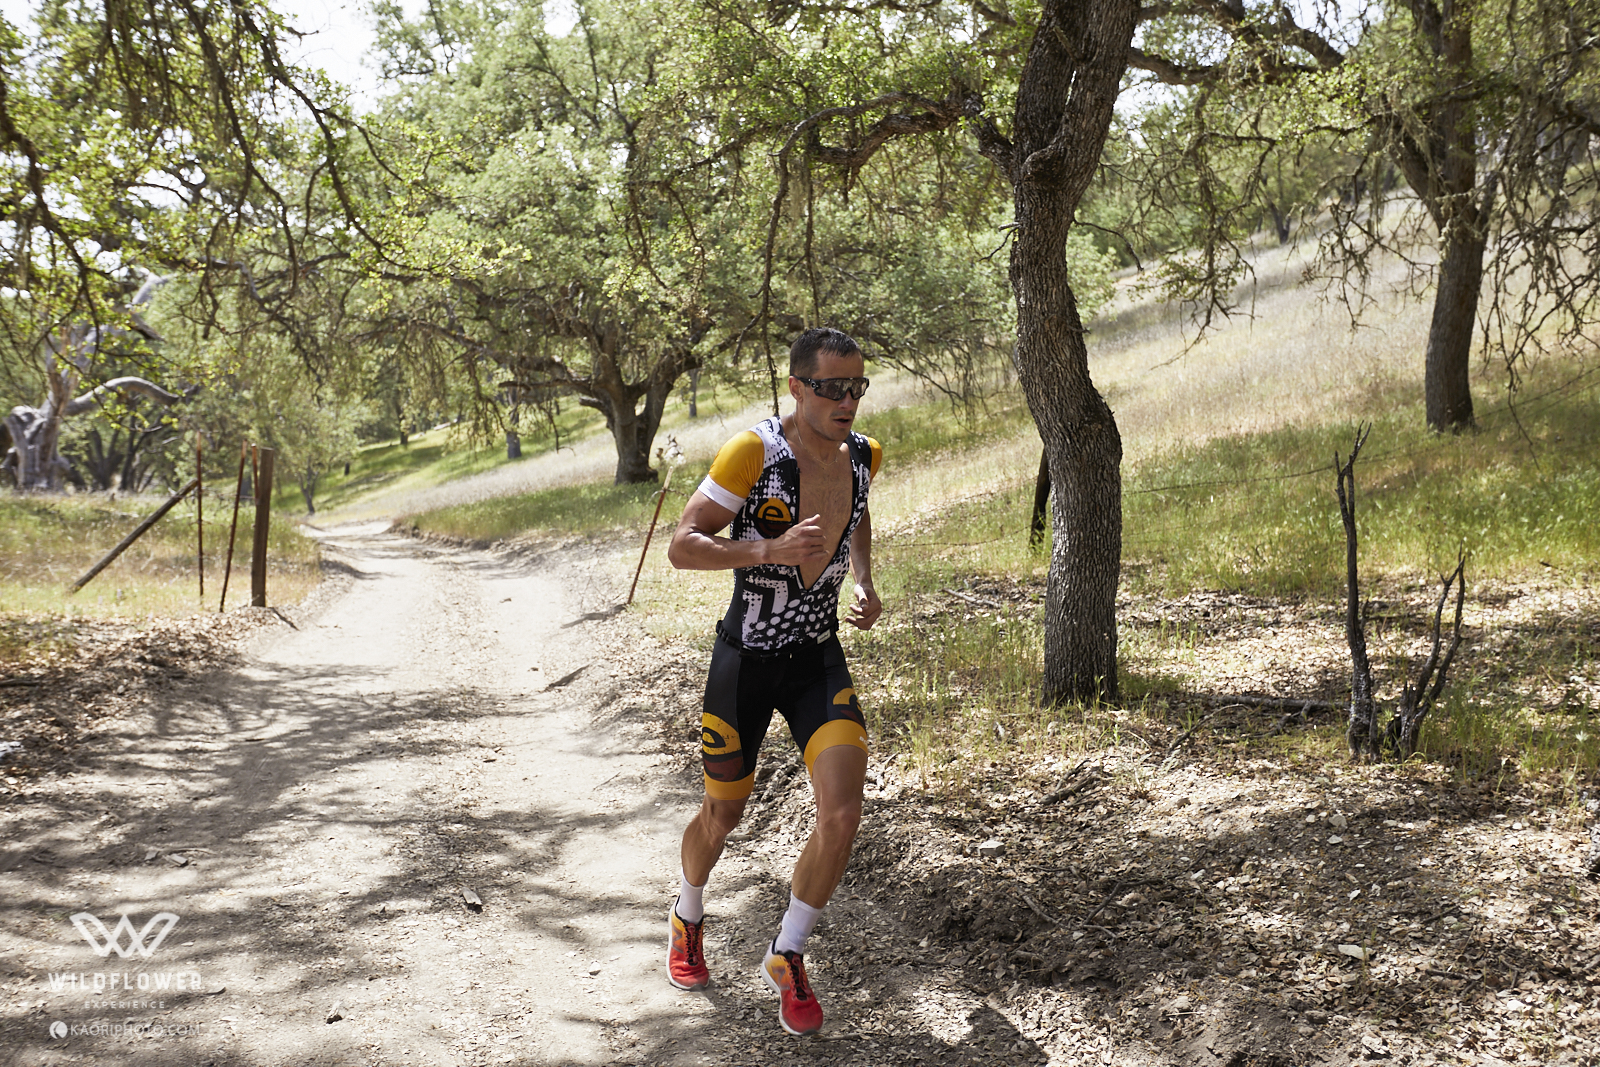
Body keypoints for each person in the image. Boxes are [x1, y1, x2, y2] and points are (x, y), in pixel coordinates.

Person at [664, 326, 883, 1037]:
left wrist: (864, 579)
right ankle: (688, 914)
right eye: (832, 387)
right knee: (722, 815)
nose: (847, 400)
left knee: (842, 813)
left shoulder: (865, 454)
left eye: (856, 387)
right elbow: (682, 545)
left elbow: (857, 512)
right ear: (796, 386)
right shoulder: (753, 452)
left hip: (817, 659)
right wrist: (769, 549)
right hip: (746, 663)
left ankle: (787, 951)